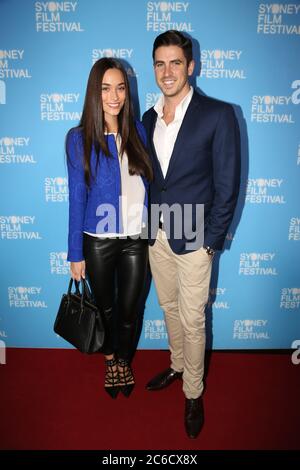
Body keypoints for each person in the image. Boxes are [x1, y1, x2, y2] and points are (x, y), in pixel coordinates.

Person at [142, 31, 240, 438]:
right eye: (160, 64)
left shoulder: (217, 114)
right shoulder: (146, 118)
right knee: (168, 308)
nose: (167, 72)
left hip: (195, 239)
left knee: (193, 318)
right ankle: (178, 364)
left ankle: (193, 392)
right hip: (157, 235)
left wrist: (211, 240)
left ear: (191, 66)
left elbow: (227, 182)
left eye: (175, 63)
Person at [66, 58, 153, 399]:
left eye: (120, 87)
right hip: (98, 241)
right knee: (107, 309)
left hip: (135, 239)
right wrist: (75, 252)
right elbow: (76, 198)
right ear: (94, 92)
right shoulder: (78, 139)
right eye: (105, 88)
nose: (114, 96)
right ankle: (111, 360)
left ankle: (125, 361)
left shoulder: (138, 131)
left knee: (131, 309)